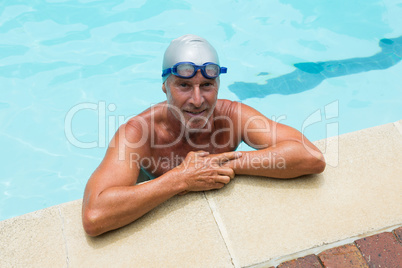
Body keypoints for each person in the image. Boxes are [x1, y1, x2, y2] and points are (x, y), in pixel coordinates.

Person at [82, 34, 326, 236]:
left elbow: (311, 157)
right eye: (184, 86)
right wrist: (181, 179)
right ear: (165, 87)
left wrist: (226, 162)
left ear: (218, 85)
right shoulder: (139, 133)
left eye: (207, 86)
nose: (197, 100)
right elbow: (94, 215)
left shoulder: (233, 116)